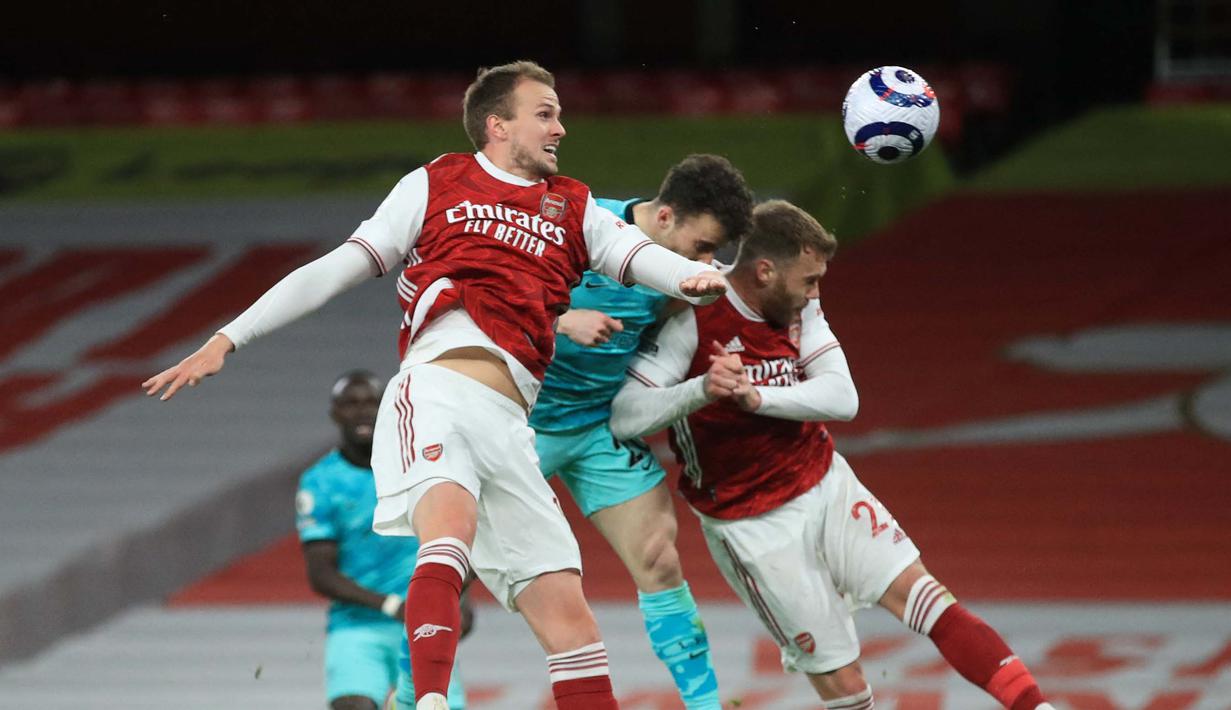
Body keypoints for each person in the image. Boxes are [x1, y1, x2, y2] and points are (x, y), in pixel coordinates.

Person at [143, 60, 727, 710]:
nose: (560, 126)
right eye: (545, 112)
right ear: (496, 124)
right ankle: (428, 702)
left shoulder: (575, 205)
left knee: (569, 620)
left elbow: (639, 256)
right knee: (448, 529)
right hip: (438, 393)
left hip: (512, 431)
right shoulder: (436, 183)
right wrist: (230, 337)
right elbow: (337, 267)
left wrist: (690, 279)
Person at [609, 200, 1054, 710]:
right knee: (844, 685)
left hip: (825, 484)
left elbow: (843, 399)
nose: (816, 292)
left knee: (926, 597)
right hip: (750, 525)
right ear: (764, 271)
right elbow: (624, 415)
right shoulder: (693, 319)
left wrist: (758, 398)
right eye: (809, 279)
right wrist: (701, 391)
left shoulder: (800, 309)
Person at [532, 154, 753, 709]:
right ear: (665, 216)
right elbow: (481, 297)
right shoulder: (573, 226)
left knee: (659, 558)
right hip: (518, 425)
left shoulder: (685, 278)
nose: (706, 262)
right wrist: (562, 320)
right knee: (454, 566)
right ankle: (418, 696)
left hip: (595, 426)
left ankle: (704, 705)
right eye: (702, 246)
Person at [296, 371, 468, 710]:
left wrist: (463, 598)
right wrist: (390, 605)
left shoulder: (418, 465)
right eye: (351, 404)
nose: (362, 412)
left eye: (372, 403)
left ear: (388, 408)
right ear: (335, 413)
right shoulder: (321, 482)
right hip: (357, 627)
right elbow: (321, 574)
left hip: (425, 622)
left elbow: (452, 533)